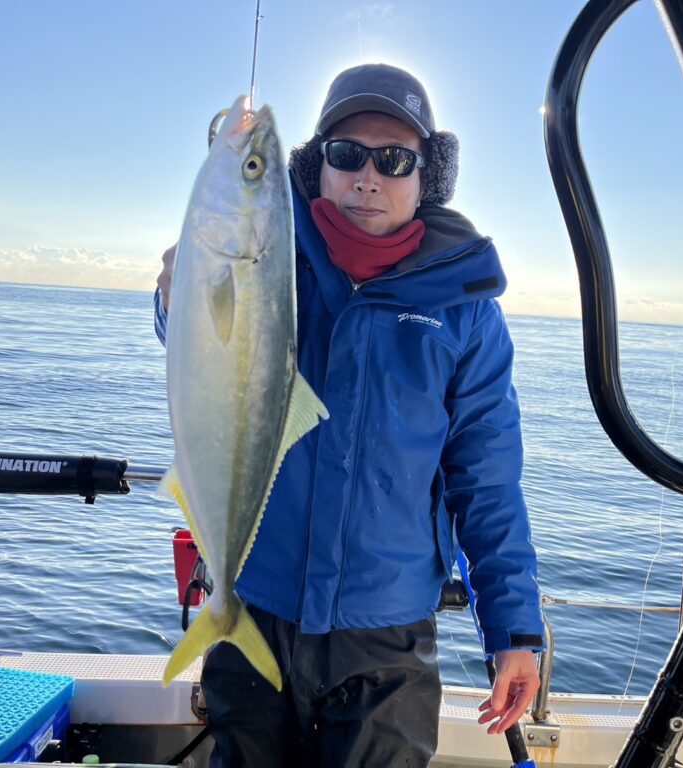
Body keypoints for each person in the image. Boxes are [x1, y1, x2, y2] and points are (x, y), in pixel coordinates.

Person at [155, 63, 544, 767]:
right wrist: (176, 296)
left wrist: (514, 629)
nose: (368, 178)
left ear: (426, 176)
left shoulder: (466, 311)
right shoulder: (271, 257)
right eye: (346, 154)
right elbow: (204, 355)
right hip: (255, 607)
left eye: (394, 160)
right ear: (318, 168)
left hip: (386, 641)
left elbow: (486, 480)